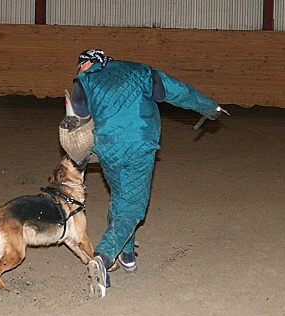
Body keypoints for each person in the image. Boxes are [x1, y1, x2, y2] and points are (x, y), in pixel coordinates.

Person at [69, 49, 228, 298]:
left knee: (122, 197)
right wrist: (210, 107)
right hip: (140, 143)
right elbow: (178, 91)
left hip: (108, 146)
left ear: (91, 62)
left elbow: (79, 113)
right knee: (132, 206)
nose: (78, 71)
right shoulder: (140, 70)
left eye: (80, 65)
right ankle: (104, 255)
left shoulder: (84, 81)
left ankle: (128, 255)